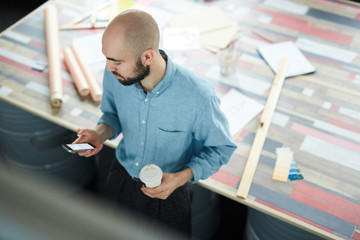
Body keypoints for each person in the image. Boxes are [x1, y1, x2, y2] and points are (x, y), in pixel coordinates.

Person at [73, 9, 237, 236]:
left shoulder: (198, 98)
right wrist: (98, 134)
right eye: (107, 59)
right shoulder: (115, 73)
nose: (109, 68)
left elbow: (221, 149)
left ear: (147, 57)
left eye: (117, 61)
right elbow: (112, 116)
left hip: (169, 192)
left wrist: (181, 178)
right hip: (120, 177)